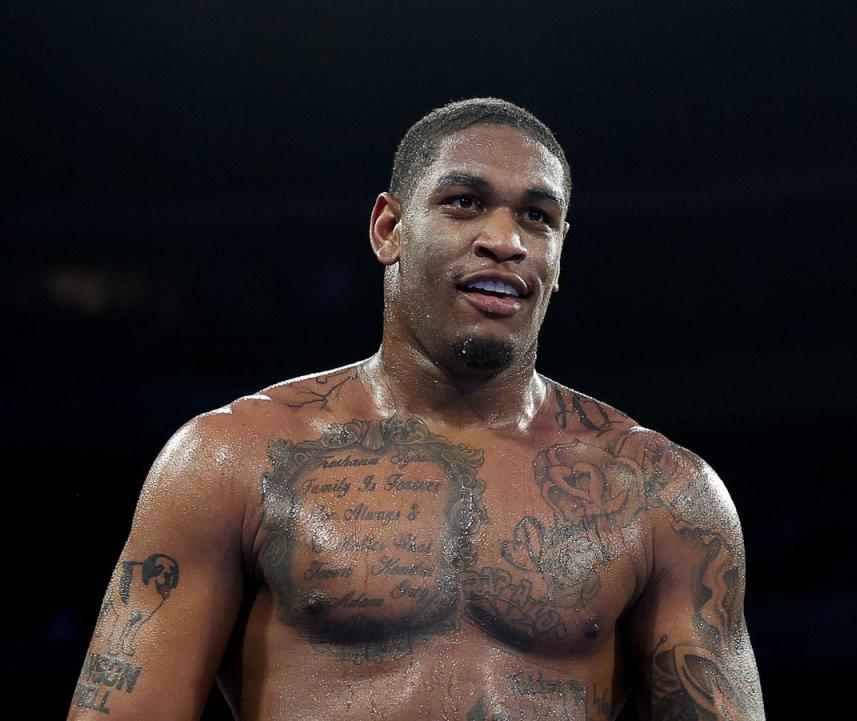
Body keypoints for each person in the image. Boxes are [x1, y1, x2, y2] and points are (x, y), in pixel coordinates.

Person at [67, 97, 765, 721]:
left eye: (537, 216)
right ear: (388, 229)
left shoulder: (664, 493)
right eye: (465, 201)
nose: (505, 238)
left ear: (559, 252)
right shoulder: (231, 457)